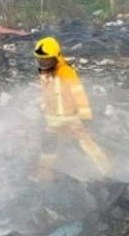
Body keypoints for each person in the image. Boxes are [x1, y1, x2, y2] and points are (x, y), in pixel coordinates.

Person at [32, 37, 111, 181]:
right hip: (53, 119)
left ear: (56, 57)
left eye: (47, 60)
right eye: (41, 60)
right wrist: (43, 106)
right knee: (48, 143)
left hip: (71, 117)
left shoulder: (66, 72)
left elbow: (78, 94)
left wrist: (85, 115)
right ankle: (44, 173)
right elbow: (45, 93)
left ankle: (105, 171)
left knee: (86, 145)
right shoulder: (44, 73)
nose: (43, 63)